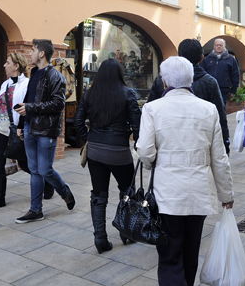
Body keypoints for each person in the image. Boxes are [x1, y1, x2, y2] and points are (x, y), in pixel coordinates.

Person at [136, 56, 233, 286]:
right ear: (190, 79)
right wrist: (226, 195)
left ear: (165, 81)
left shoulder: (152, 108)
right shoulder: (208, 110)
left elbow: (146, 153)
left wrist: (151, 163)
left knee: (170, 256)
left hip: (166, 193)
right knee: (190, 253)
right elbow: (219, 158)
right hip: (198, 193)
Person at [74, 59, 141, 254]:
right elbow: (137, 125)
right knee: (127, 190)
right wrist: (139, 144)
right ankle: (125, 231)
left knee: (98, 194)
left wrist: (89, 138)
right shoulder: (127, 93)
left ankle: (100, 238)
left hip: (95, 151)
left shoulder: (90, 94)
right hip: (119, 150)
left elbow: (78, 120)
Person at [0, 53, 54, 210]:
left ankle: (48, 184)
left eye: (7, 63)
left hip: (19, 128)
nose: (4, 65)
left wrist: (24, 127)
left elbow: (30, 107)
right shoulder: (5, 85)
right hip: (2, 128)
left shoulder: (27, 83)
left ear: (16, 65)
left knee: (25, 163)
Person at [14, 39, 76, 223]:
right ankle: (36, 210)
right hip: (30, 127)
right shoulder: (34, 73)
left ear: (41, 53)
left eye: (32, 50)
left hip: (46, 130)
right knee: (35, 170)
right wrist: (21, 124)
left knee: (45, 170)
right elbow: (28, 99)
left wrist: (31, 108)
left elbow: (58, 104)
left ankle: (64, 191)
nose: (30, 53)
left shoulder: (56, 77)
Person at [147, 39, 230, 153]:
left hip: (167, 142)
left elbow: (150, 113)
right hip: (199, 141)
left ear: (179, 57)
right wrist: (225, 144)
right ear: (201, 58)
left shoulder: (163, 80)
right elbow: (220, 115)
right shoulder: (210, 82)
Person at [201, 38, 240, 104]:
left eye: (221, 45)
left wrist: (234, 90)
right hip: (209, 88)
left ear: (224, 46)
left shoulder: (231, 59)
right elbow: (202, 72)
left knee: (221, 107)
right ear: (214, 46)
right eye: (217, 45)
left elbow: (235, 75)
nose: (219, 47)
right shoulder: (207, 59)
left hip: (223, 89)